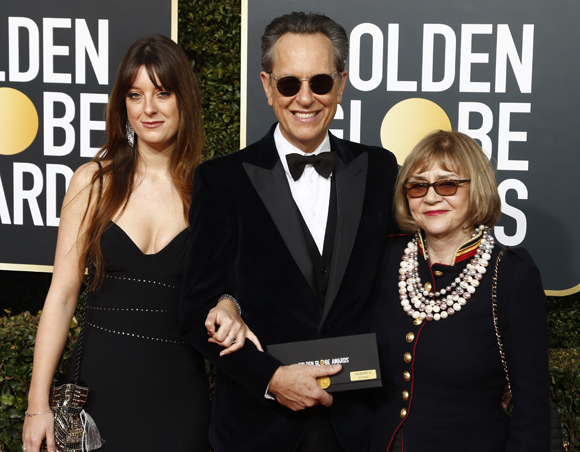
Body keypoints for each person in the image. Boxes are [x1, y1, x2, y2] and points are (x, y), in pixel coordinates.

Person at [179, 11, 399, 452]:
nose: (305, 98)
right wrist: (271, 378)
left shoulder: (380, 169)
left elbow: (404, 283)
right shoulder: (221, 181)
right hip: (259, 428)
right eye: (288, 84)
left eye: (319, 82)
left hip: (359, 427)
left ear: (340, 84)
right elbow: (195, 312)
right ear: (266, 86)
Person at [22, 35, 250, 452]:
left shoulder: (212, 192)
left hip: (180, 403)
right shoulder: (93, 182)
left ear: (184, 100)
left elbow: (228, 290)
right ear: (122, 104)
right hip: (100, 398)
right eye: (135, 94)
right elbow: (61, 296)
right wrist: (38, 404)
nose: (148, 108)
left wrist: (228, 304)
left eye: (162, 93)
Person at [370, 130, 550, 451]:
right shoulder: (384, 257)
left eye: (448, 184)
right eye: (417, 185)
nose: (431, 197)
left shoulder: (511, 274)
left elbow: (531, 407)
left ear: (476, 188)